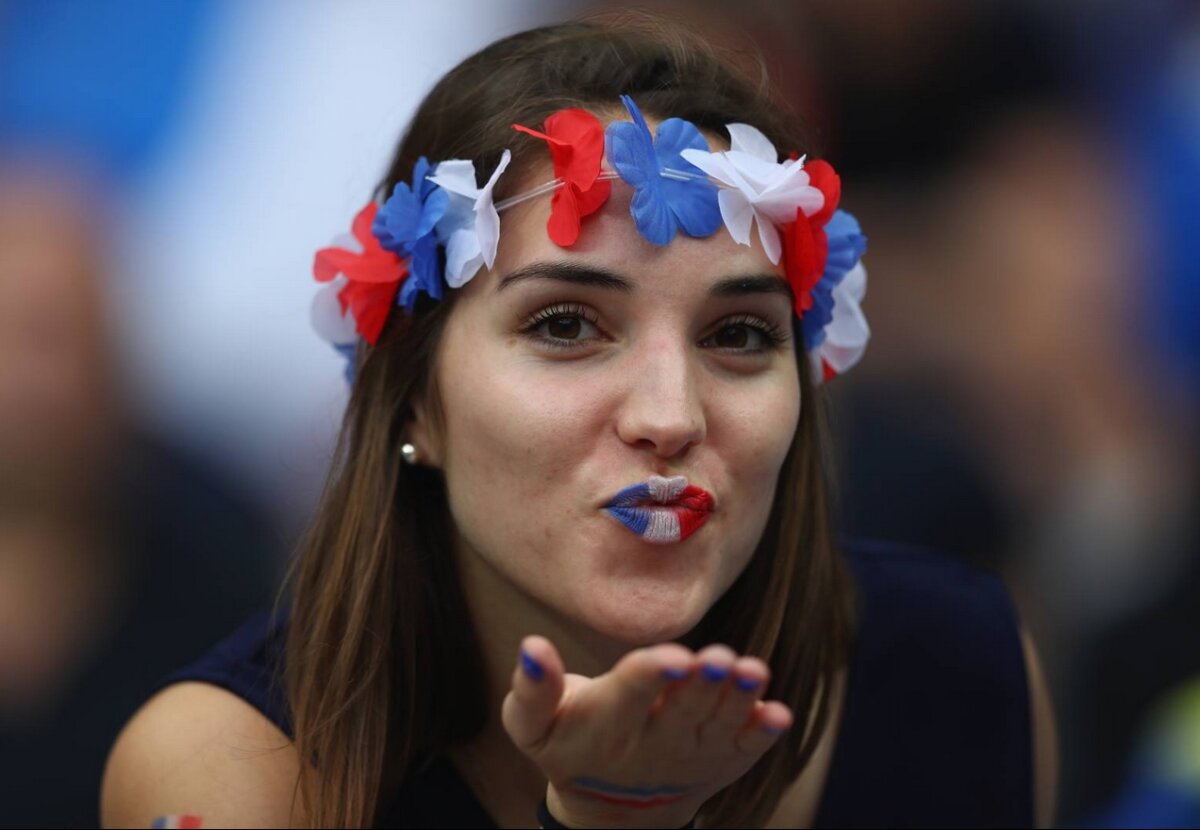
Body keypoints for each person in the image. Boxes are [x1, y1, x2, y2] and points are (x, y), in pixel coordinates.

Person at [101, 16, 1057, 829]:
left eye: (738, 334)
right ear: (413, 401)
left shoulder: (958, 668)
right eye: (565, 325)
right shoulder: (229, 773)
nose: (670, 417)